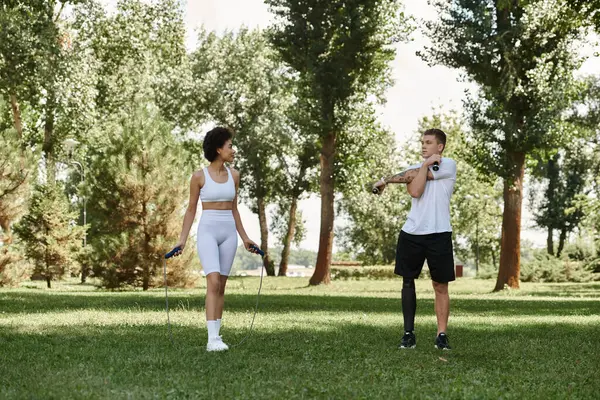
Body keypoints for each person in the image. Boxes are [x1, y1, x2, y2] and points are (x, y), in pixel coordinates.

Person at [171, 127, 259, 352]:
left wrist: (246, 238)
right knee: (212, 282)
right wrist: (182, 240)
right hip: (208, 232)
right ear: (219, 149)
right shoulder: (199, 176)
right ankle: (211, 340)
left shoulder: (235, 175)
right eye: (230, 146)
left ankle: (217, 336)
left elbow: (235, 210)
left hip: (229, 233)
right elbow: (191, 210)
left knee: (221, 285)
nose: (233, 149)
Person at [372, 128, 457, 350]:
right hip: (412, 233)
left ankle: (441, 335)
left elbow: (412, 182)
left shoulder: (448, 165)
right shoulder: (421, 168)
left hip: (439, 233)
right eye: (422, 142)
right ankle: (408, 334)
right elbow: (416, 190)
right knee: (407, 281)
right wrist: (422, 167)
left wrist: (392, 179)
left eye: (428, 142)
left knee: (440, 285)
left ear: (440, 147)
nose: (423, 146)